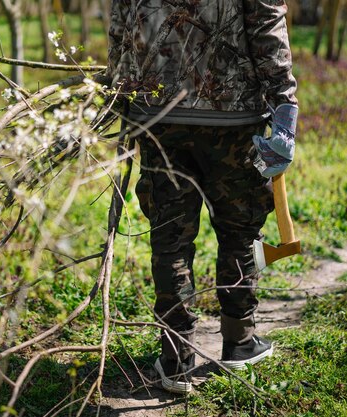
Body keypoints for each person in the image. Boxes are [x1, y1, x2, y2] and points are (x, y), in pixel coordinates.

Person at [107, 0, 298, 394]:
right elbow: (267, 21)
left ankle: (176, 357)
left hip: (158, 110)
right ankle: (240, 341)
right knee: (239, 229)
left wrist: (119, 88)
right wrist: (283, 101)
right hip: (232, 111)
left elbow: (120, 19)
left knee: (170, 235)